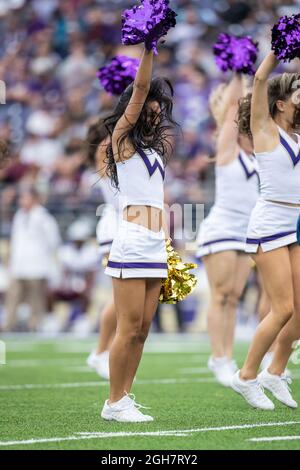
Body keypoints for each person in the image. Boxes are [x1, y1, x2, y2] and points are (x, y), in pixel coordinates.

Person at [100, 46, 177, 422]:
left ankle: (124, 397)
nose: (156, 108)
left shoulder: (155, 147)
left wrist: (167, 240)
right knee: (128, 327)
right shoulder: (122, 139)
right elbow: (142, 83)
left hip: (155, 244)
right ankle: (114, 401)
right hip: (130, 239)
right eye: (150, 102)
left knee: (144, 330)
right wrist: (149, 46)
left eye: (160, 104)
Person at [231, 51, 300, 410]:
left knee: (299, 310)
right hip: (271, 222)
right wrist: (279, 49)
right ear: (279, 105)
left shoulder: (298, 133)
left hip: (297, 225)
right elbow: (259, 81)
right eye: (297, 95)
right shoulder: (264, 129)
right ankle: (246, 376)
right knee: (283, 307)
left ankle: (275, 372)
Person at [196, 75, 259, 386]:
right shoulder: (227, 149)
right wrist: (240, 75)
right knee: (220, 295)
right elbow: (235, 105)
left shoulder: (259, 153)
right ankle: (217, 357)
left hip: (246, 233)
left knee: (234, 297)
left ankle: (227, 356)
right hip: (221, 229)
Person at [85, 119, 118, 379]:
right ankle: (100, 352)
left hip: (130, 226)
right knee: (119, 297)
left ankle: (105, 350)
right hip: (114, 228)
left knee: (124, 300)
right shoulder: (105, 150)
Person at [4, 187, 61, 331]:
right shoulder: (19, 216)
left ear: (34, 199)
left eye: (25, 198)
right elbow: (15, 241)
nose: (21, 201)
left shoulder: (44, 217)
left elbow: (53, 241)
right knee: (12, 298)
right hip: (19, 266)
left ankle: (34, 327)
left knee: (35, 300)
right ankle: (8, 326)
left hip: (37, 266)